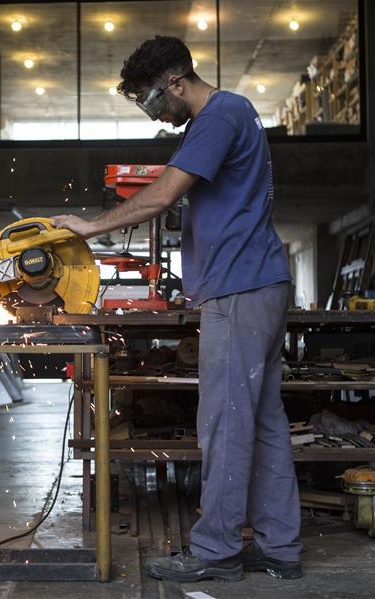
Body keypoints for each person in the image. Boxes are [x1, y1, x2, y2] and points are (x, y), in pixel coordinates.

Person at [52, 36, 302, 583]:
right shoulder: (228, 116)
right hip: (258, 282)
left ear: (174, 82)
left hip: (239, 290)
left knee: (225, 424)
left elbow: (163, 195)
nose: (153, 115)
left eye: (148, 101)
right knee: (262, 421)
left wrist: (90, 227)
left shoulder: (218, 115)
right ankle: (281, 547)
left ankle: (215, 552)